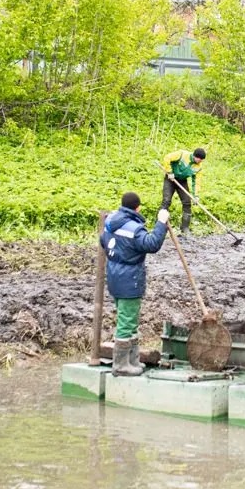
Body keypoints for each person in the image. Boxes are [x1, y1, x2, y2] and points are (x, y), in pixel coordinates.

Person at [101, 191, 169, 376]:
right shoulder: (134, 228)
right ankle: (121, 365)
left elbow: (103, 242)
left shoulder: (110, 222)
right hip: (129, 279)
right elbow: (152, 243)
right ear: (137, 207)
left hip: (114, 276)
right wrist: (161, 223)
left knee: (128, 321)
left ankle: (132, 361)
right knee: (127, 321)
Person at [160, 147, 206, 235]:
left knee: (187, 202)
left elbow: (196, 182)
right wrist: (169, 172)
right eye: (200, 159)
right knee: (166, 201)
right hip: (170, 179)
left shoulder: (198, 167)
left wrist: (195, 195)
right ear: (195, 156)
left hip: (182, 181)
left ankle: (185, 227)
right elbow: (167, 158)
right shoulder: (182, 154)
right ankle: (159, 225)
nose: (200, 161)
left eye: (202, 160)